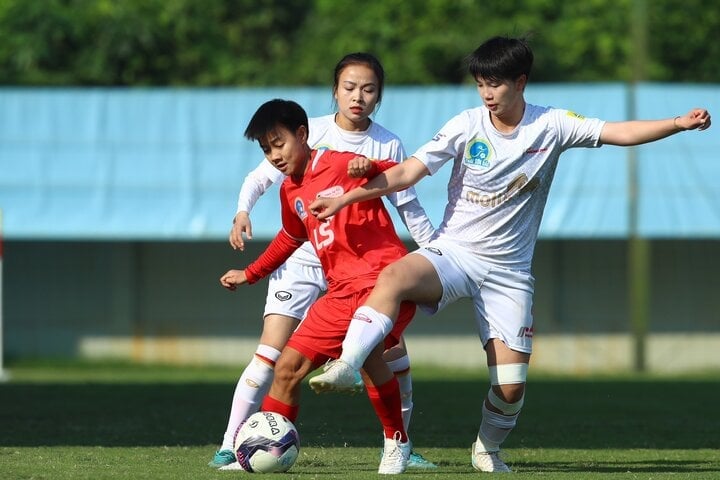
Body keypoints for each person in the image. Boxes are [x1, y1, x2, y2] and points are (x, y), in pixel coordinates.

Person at [307, 36, 712, 473]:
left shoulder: (553, 124)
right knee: (394, 277)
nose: (487, 94)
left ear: (521, 82)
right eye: (481, 84)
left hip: (509, 272)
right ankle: (348, 365)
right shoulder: (466, 124)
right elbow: (406, 172)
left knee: (511, 387)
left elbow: (618, 132)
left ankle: (486, 447)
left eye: (495, 84)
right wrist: (346, 199)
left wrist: (677, 123)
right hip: (455, 252)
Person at [208, 53, 436, 469]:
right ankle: (267, 452)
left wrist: (371, 166)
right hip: (339, 291)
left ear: (302, 134)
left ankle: (398, 442)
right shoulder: (288, 191)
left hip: (382, 281)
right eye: (266, 149)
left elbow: (400, 173)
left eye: (279, 144)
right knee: (286, 369)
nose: (274, 155)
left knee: (368, 356)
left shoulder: (338, 161)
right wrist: (251, 273)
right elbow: (291, 237)